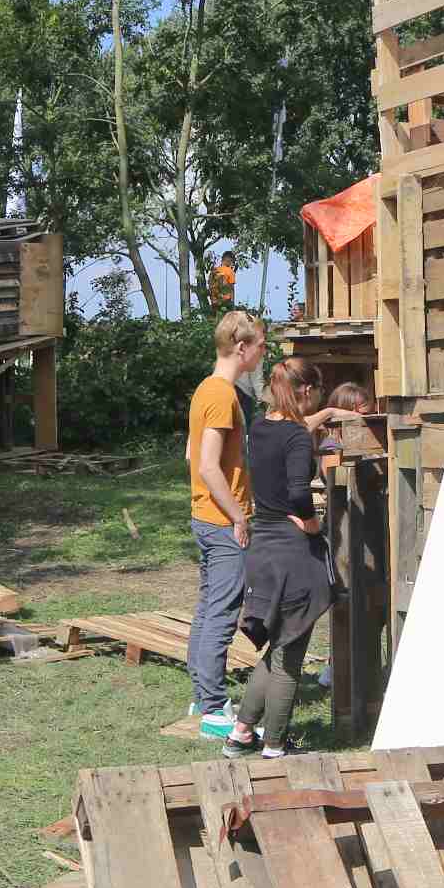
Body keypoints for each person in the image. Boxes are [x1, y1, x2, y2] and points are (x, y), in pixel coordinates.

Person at [223, 359, 332, 760]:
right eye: (318, 394)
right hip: (290, 550)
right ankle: (274, 744)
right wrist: (312, 523)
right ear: (306, 391)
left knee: (278, 645)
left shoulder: (259, 428)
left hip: (262, 546)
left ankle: (241, 733)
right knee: (290, 652)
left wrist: (328, 415)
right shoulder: (297, 437)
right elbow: (299, 491)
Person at [186, 310, 266, 728]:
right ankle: (214, 709)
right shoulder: (221, 395)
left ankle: (202, 699)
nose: (263, 353)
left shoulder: (206, 388)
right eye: (261, 346)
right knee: (221, 613)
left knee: (208, 608)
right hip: (221, 522)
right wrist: (239, 517)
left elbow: (190, 454)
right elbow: (207, 465)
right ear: (241, 347)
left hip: (205, 516)